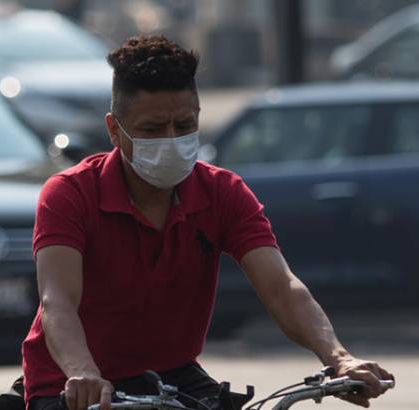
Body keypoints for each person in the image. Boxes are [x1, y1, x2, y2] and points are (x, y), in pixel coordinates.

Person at [20, 35, 394, 410]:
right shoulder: (70, 194)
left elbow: (281, 286)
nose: (171, 140)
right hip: (74, 385)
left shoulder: (222, 192)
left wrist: (338, 357)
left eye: (184, 125)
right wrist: (82, 371)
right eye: (152, 129)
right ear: (115, 130)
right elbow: (58, 301)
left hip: (170, 378)